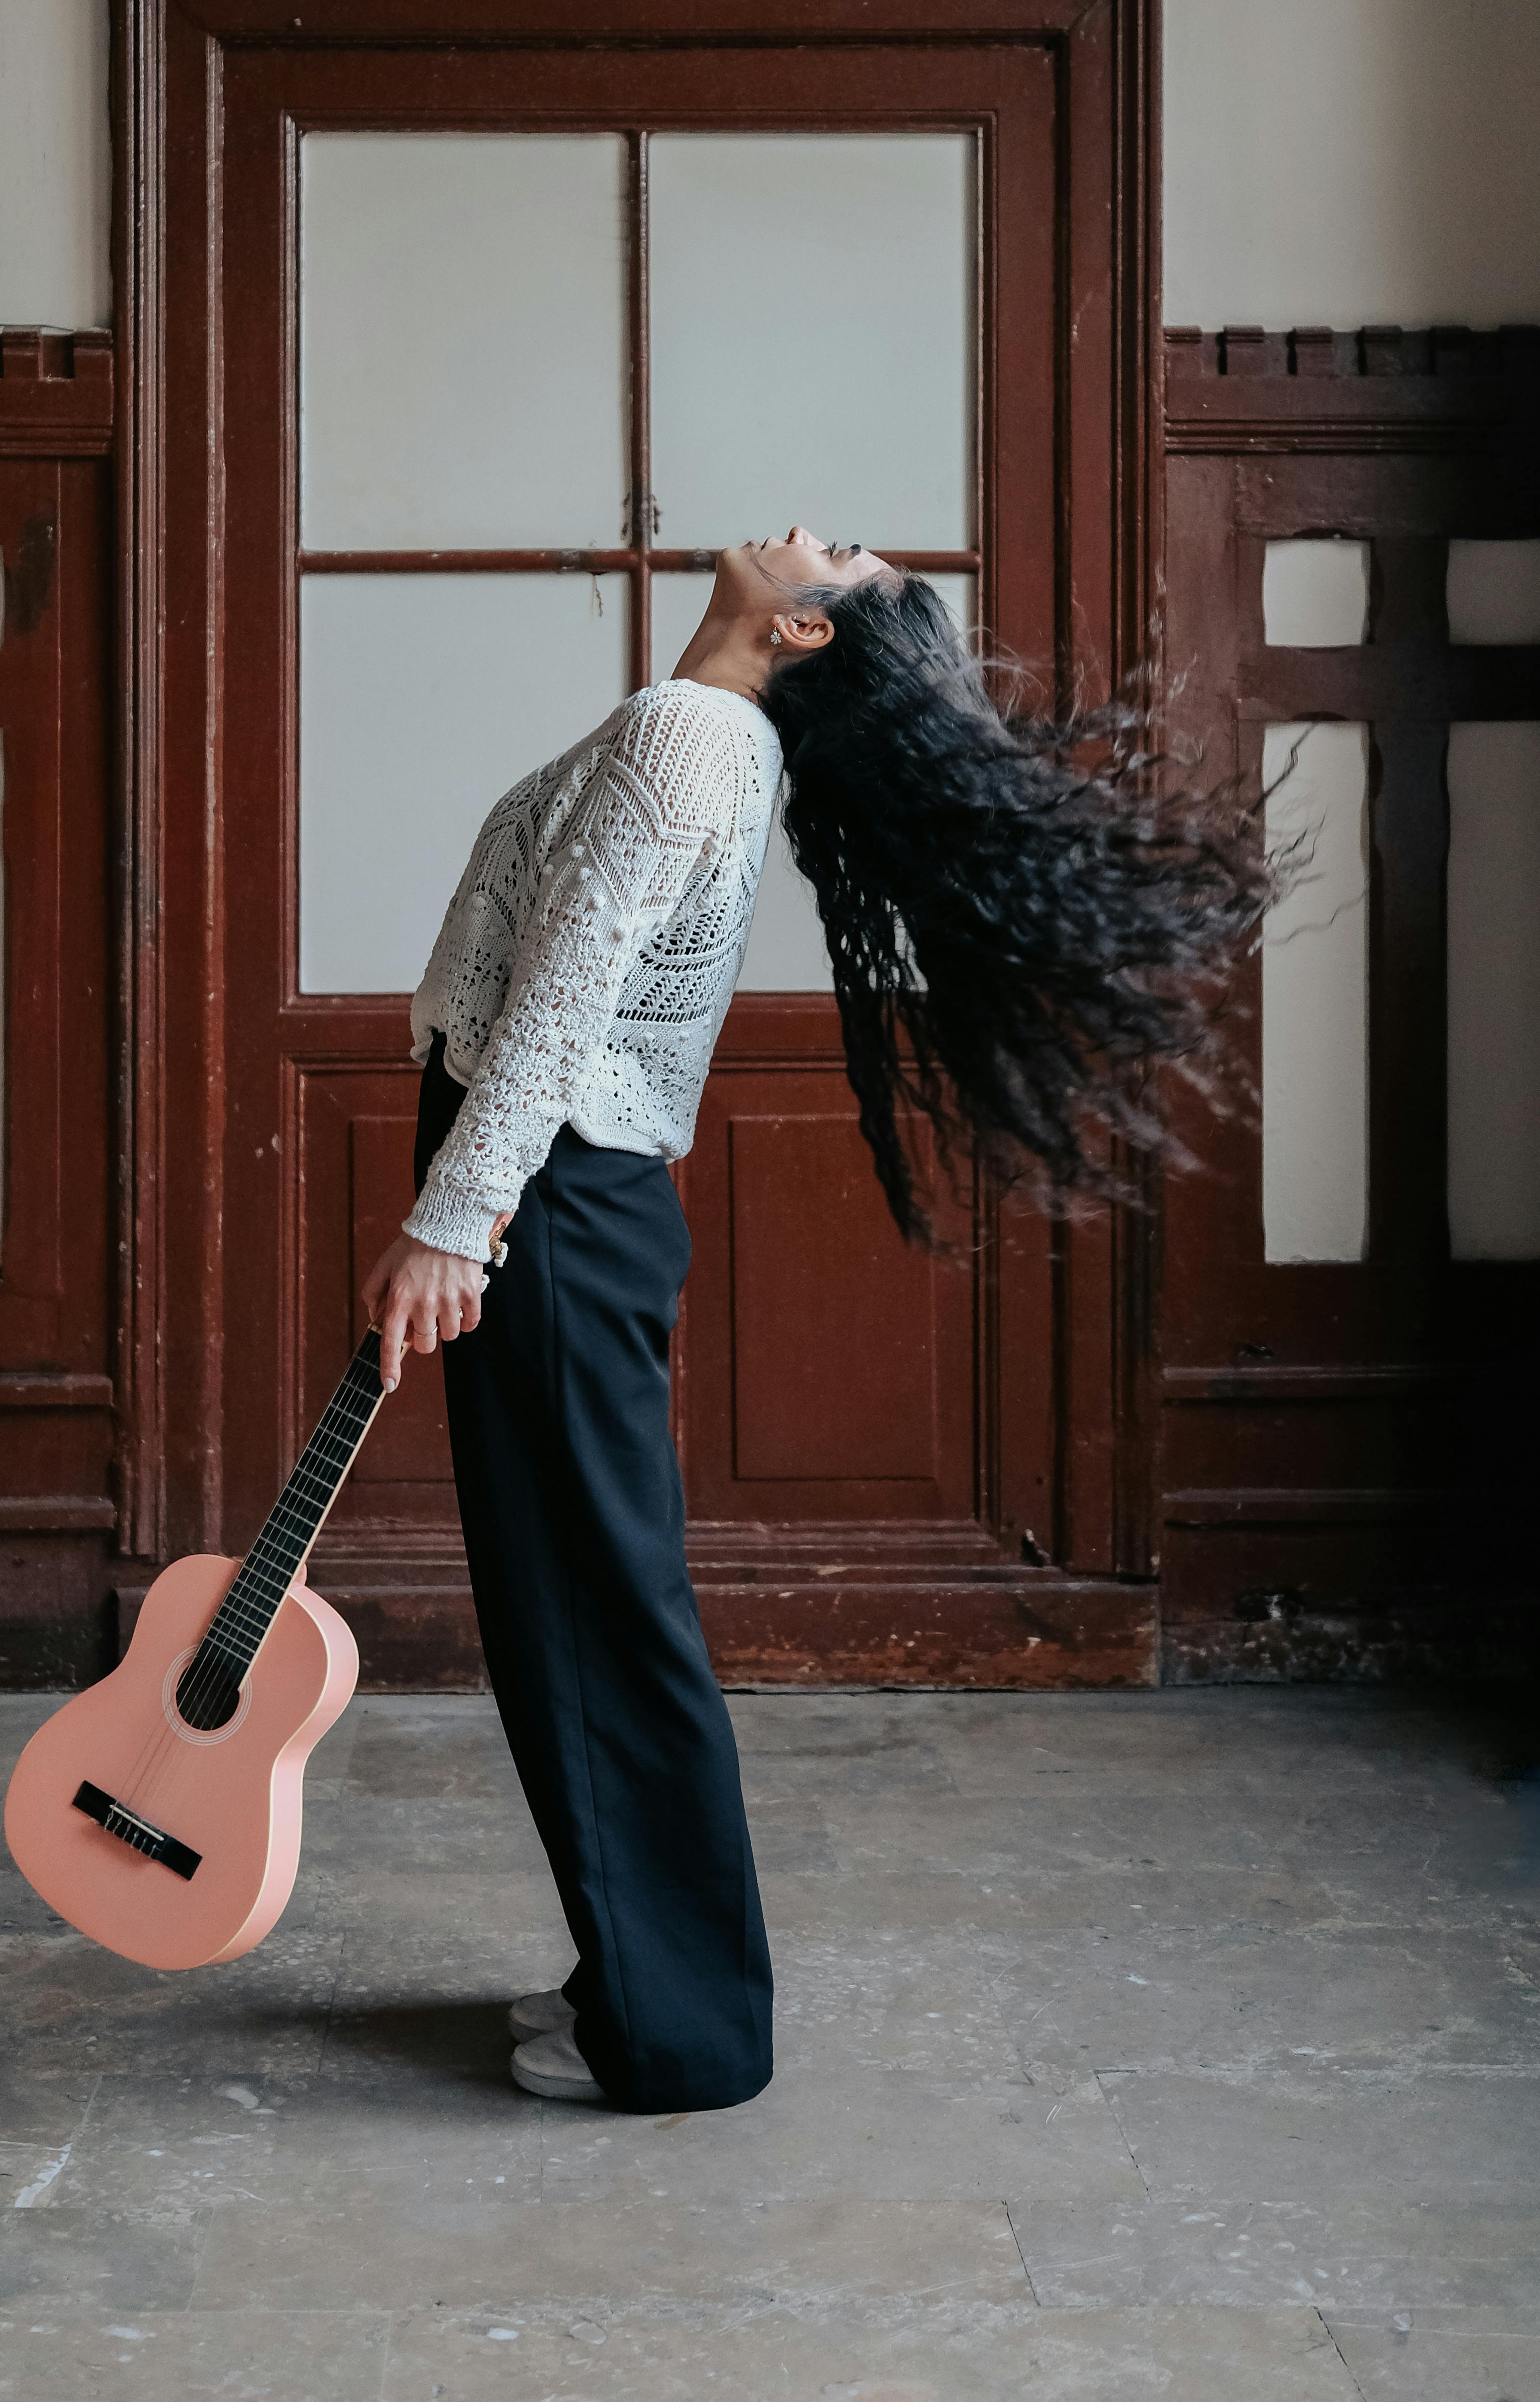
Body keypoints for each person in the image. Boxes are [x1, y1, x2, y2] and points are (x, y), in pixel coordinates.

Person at [359, 526, 1269, 2113]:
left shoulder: (686, 734)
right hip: (566, 1196)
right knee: (583, 1608)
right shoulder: (705, 733)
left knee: (588, 1618)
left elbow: (560, 1003)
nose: (810, 531)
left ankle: (672, 2035)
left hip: (548, 1198)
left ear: (803, 633)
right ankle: (641, 1985)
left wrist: (455, 1215)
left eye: (835, 558)